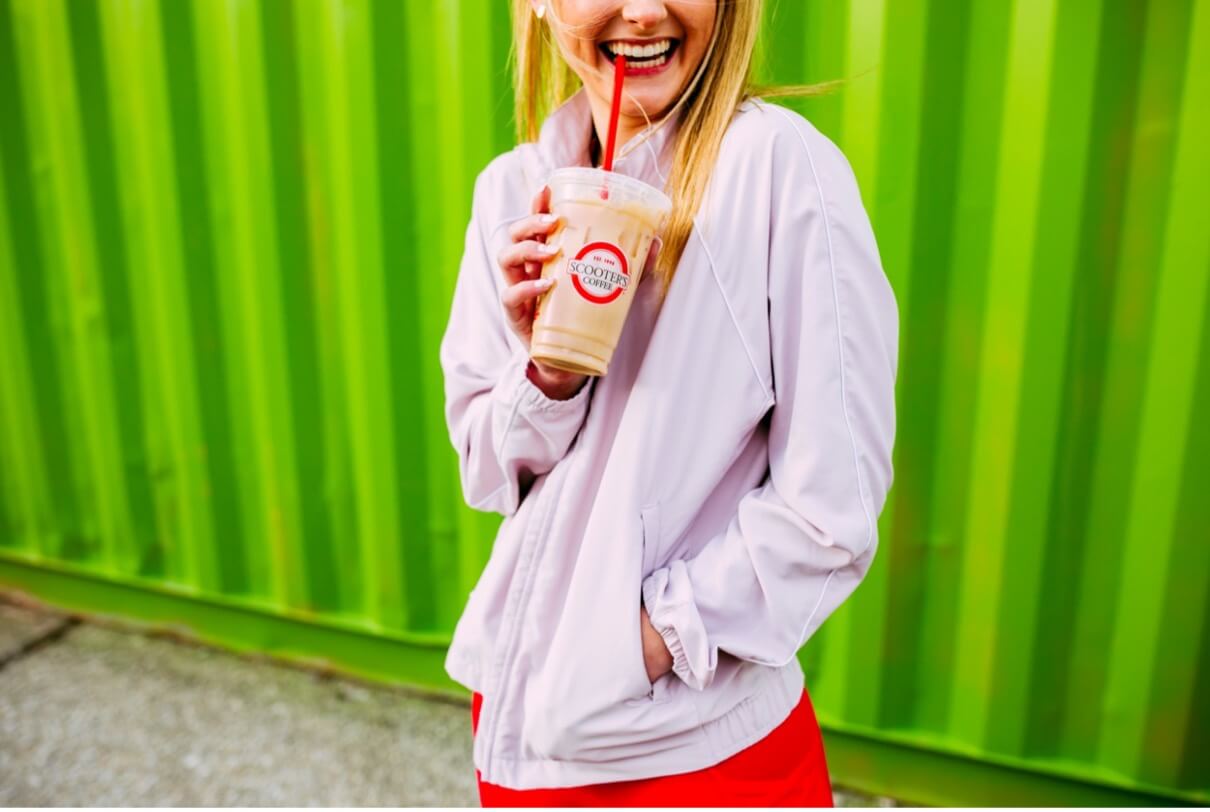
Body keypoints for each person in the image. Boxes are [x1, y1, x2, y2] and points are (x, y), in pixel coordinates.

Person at [439, 0, 898, 805]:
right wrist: (549, 373)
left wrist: (637, 643)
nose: (644, 9)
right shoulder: (513, 193)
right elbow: (488, 472)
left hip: (691, 760)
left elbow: (834, 507)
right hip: (516, 736)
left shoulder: (778, 172)